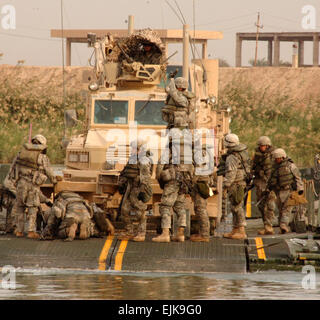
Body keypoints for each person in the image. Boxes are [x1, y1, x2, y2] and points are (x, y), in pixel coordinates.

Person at [11, 134, 57, 239]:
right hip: (33, 186)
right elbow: (49, 171)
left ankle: (19, 231)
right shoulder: (42, 157)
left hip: (20, 184)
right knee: (32, 208)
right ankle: (31, 231)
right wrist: (54, 181)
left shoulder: (20, 154)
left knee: (20, 208)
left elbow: (13, 169)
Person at [118, 138, 153, 242]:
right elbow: (126, 172)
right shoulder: (133, 159)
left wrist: (142, 190)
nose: (132, 150)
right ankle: (129, 231)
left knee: (140, 212)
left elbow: (146, 177)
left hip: (138, 189)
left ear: (140, 149)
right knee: (124, 210)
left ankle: (141, 233)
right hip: (130, 188)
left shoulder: (144, 161)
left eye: (134, 148)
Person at [267, 148, 304, 234]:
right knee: (280, 209)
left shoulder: (291, 166)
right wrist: (269, 188)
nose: (276, 160)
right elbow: (271, 179)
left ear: (282, 157)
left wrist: (300, 189)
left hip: (289, 191)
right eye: (275, 158)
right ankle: (282, 226)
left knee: (286, 209)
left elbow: (298, 178)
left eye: (278, 158)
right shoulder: (275, 167)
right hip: (278, 192)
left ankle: (283, 225)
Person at [222, 133, 251, 240]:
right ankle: (235, 229)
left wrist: (225, 185)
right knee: (235, 206)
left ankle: (241, 229)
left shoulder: (232, 157)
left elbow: (231, 173)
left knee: (237, 207)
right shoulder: (242, 153)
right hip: (241, 182)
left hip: (236, 183)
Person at [190, 144, 215, 242]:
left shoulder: (199, 154)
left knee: (201, 209)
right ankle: (202, 233)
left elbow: (198, 170)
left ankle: (204, 235)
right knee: (200, 209)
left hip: (200, 184)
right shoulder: (206, 154)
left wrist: (192, 181)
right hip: (204, 183)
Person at [251, 136, 276, 235]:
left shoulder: (273, 156)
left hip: (270, 183)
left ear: (267, 146)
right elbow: (253, 166)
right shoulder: (257, 155)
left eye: (263, 146)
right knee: (261, 205)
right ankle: (266, 225)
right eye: (260, 146)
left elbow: (272, 171)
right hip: (260, 183)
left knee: (270, 204)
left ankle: (269, 226)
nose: (261, 147)